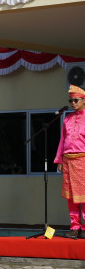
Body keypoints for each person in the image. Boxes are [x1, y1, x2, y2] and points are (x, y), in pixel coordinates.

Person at [54, 84, 85, 239]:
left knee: (84, 196)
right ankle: (74, 227)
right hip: (68, 161)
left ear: (84, 100)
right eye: (71, 100)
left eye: (76, 100)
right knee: (71, 196)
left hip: (83, 160)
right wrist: (59, 159)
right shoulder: (67, 118)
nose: (73, 103)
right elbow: (63, 140)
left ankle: (84, 228)